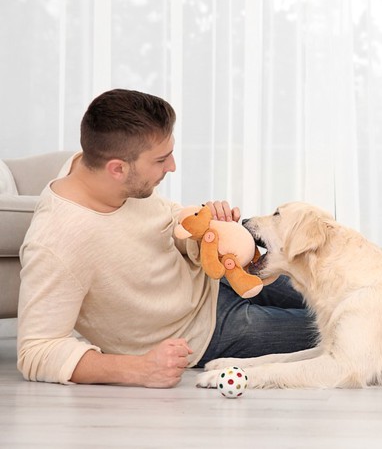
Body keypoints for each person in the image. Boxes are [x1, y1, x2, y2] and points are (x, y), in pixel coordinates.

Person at [17, 89, 317, 388]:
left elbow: (165, 221)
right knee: (354, 332)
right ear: (117, 169)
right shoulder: (56, 242)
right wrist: (138, 369)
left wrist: (202, 230)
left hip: (220, 278)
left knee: (347, 287)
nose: (172, 166)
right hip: (204, 332)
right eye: (161, 160)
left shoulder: (98, 171)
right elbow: (37, 349)